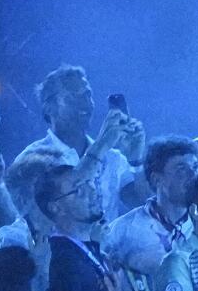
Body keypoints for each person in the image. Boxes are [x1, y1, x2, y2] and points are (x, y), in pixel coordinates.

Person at [31, 65, 148, 217]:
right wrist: (101, 144)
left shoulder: (112, 157)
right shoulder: (34, 159)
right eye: (73, 97)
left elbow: (143, 203)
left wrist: (135, 160)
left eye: (87, 95)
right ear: (49, 109)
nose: (85, 103)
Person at [100, 136, 198, 291]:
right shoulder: (122, 231)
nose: (193, 175)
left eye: (195, 167)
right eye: (181, 168)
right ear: (156, 179)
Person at [39, 162, 116, 291]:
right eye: (78, 190)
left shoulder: (87, 249)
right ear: (56, 207)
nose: (92, 191)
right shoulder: (64, 259)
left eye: (89, 182)